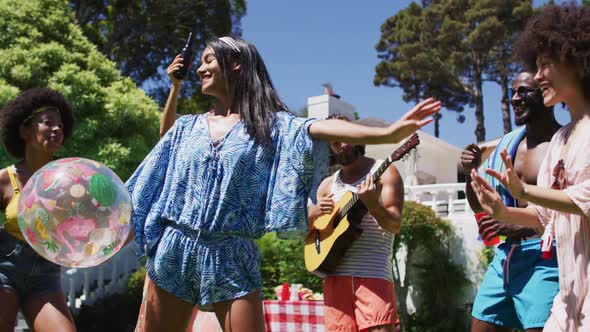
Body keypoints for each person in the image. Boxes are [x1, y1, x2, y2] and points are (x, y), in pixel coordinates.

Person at [126, 35, 441, 332]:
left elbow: (319, 127)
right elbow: (166, 140)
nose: (199, 68)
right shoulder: (189, 126)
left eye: (209, 60)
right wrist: (174, 87)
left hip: (232, 253)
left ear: (236, 63)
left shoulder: (271, 127)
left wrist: (387, 134)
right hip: (175, 248)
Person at [470, 4, 590, 330]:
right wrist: (503, 211)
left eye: (545, 65)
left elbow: (585, 200)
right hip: (568, 304)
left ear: (574, 60)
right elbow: (544, 218)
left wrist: (523, 191)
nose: (537, 76)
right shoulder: (564, 139)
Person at [463, 70, 561, 332]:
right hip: (505, 258)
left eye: (524, 91)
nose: (515, 99)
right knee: (481, 326)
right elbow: (478, 206)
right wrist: (470, 172)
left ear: (546, 93)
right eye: (512, 93)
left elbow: (574, 207)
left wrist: (520, 225)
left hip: (547, 259)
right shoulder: (507, 145)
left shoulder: (564, 144)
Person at [308, 113, 403, 332]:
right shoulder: (326, 186)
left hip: (373, 274)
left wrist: (373, 204)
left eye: (344, 136)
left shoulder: (385, 172)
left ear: (357, 136)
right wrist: (312, 215)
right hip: (334, 276)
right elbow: (312, 235)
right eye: (334, 141)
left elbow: (394, 225)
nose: (340, 144)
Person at [0, 88, 76, 332]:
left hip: (46, 277)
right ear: (24, 130)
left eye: (61, 126)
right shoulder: (4, 179)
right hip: (3, 270)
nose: (56, 129)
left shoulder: (71, 180)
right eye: (48, 123)